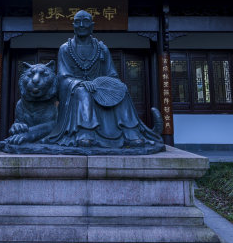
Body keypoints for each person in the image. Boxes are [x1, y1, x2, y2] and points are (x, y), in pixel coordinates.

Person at [42, 10, 163, 148]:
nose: (81, 25)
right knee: (84, 92)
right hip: (76, 90)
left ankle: (131, 133)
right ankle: (85, 132)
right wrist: (81, 83)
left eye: (86, 21)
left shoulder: (102, 49)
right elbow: (63, 77)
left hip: (99, 88)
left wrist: (111, 85)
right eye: (77, 22)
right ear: (73, 25)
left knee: (121, 90)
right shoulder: (65, 49)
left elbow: (112, 75)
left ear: (92, 25)